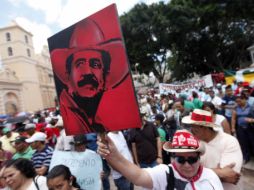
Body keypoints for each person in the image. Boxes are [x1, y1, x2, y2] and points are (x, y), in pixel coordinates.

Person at [50, 18, 140, 135]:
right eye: (80, 63)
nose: (87, 72)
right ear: (68, 74)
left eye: (95, 64)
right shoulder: (70, 120)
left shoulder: (99, 118)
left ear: (105, 74)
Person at [97, 130, 223, 189]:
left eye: (191, 159)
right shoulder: (165, 173)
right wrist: (114, 156)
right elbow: (138, 176)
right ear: (173, 158)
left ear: (199, 157)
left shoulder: (211, 176)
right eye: (180, 159)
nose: (187, 165)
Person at [182, 109, 243, 190]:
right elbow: (183, 170)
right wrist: (220, 172)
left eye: (193, 126)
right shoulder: (192, 141)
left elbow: (231, 175)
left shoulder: (229, 141)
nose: (191, 130)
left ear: (205, 127)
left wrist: (195, 172)